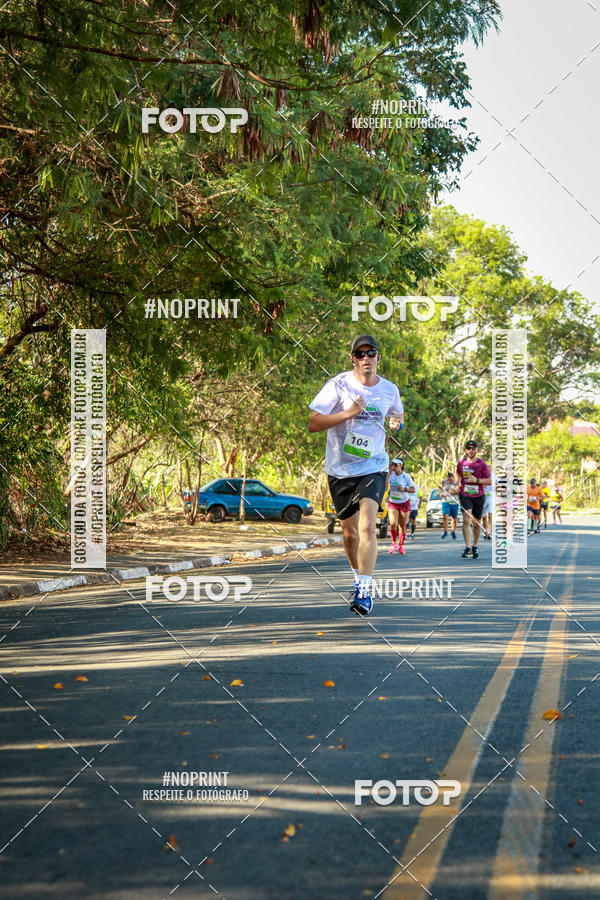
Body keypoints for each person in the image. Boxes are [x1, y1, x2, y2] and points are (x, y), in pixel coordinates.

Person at [308, 334, 404, 616]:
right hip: (340, 470)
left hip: (374, 467)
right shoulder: (338, 385)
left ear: (377, 357)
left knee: (366, 528)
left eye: (370, 353)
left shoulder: (389, 389)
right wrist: (347, 413)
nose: (366, 358)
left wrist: (396, 422)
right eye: (359, 354)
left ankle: (364, 590)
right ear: (352, 358)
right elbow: (313, 423)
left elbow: (397, 414)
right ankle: (357, 575)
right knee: (349, 535)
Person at [457, 440, 492, 559]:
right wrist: (457, 485)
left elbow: (489, 481)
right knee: (466, 520)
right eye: (468, 448)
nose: (471, 450)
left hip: (478, 496)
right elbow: (458, 477)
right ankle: (467, 547)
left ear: (476, 449)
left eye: (473, 448)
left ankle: (475, 545)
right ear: (465, 450)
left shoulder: (482, 464)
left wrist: (476, 480)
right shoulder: (461, 463)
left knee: (476, 523)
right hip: (465, 494)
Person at [387, 459, 415, 554]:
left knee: (402, 525)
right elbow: (385, 483)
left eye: (395, 465)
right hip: (393, 502)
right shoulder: (390, 474)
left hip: (404, 502)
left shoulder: (406, 477)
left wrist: (404, 489)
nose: (393, 467)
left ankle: (401, 545)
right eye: (392, 465)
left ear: (400, 465)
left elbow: (413, 489)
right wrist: (390, 471)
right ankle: (394, 543)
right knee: (392, 523)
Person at [440, 471, 459, 539]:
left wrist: (453, 492)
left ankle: (453, 531)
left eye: (450, 479)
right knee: (445, 516)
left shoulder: (456, 483)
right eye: (448, 479)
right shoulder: (443, 482)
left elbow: (458, 492)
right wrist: (441, 493)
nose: (449, 481)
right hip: (446, 501)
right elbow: (440, 488)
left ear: (453, 478)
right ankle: (445, 531)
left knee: (454, 518)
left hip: (454, 502)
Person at [482, 476, 494, 540]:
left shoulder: (493, 477)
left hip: (491, 498)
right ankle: (485, 530)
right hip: (483, 499)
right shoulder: (481, 476)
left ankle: (489, 532)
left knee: (490, 515)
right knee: (484, 517)